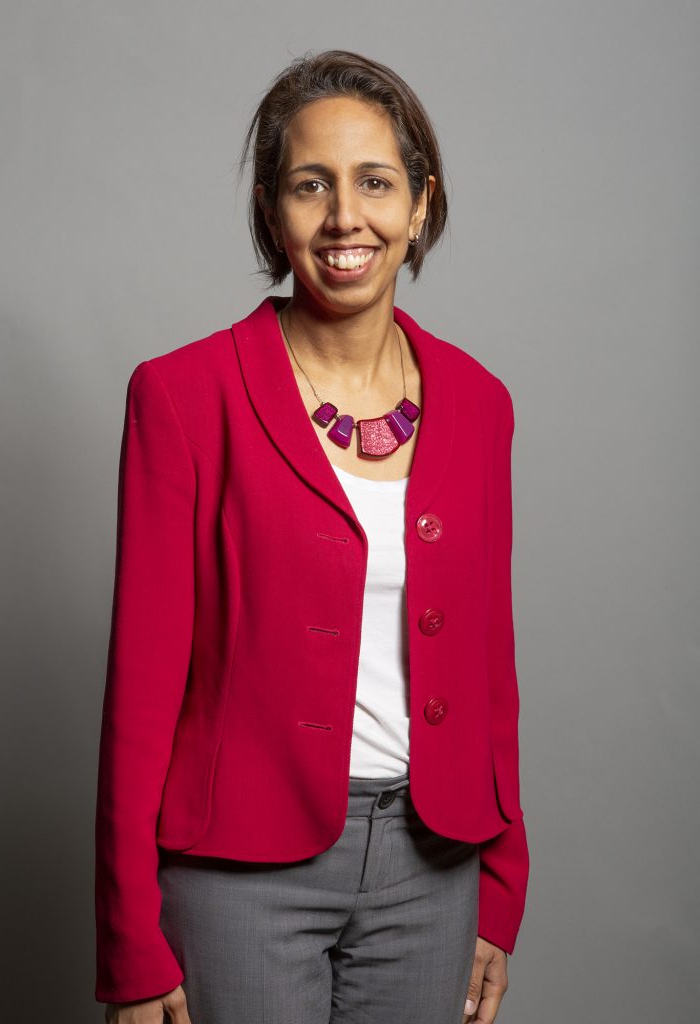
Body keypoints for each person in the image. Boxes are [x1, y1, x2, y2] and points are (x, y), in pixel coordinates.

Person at [95, 48, 529, 1024]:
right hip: (239, 873)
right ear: (271, 209)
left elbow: (489, 663)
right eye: (311, 185)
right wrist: (130, 938)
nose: (345, 217)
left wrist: (500, 883)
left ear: (419, 204)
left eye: (375, 182)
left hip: (432, 868)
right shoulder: (182, 397)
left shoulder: (480, 404)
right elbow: (141, 690)